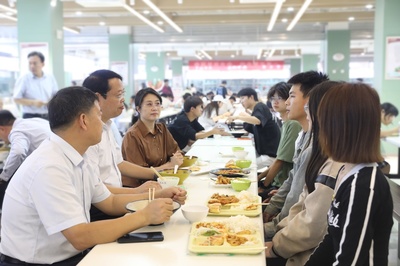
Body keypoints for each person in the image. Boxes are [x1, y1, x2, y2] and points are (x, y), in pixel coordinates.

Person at [0, 86, 186, 265]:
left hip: (74, 254)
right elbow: (79, 236)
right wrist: (145, 216)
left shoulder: (79, 155)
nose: (103, 122)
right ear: (83, 120)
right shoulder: (49, 166)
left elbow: (110, 202)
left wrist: (157, 195)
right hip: (39, 263)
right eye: (98, 114)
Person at [305, 83, 393, 265]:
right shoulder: (346, 171)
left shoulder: (362, 186)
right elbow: (333, 237)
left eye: (324, 122)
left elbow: (352, 260)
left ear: (341, 128)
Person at [265, 81, 343, 266]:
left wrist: (276, 241)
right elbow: (301, 199)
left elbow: (312, 226)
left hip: (303, 252)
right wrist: (277, 232)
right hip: (293, 237)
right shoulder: (315, 144)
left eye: (291, 96)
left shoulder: (330, 160)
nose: (284, 103)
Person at [82, 70, 166, 220]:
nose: (123, 100)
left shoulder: (108, 126)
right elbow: (94, 190)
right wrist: (138, 192)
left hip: (116, 197)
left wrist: (157, 173)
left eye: (123, 94)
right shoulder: (88, 134)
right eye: (118, 95)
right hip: (100, 207)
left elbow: (119, 163)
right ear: (97, 98)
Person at [263, 71, 329, 239]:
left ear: (309, 101)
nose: (286, 102)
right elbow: (293, 179)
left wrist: (274, 224)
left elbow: (296, 197)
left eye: (291, 96)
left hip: (294, 231)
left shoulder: (315, 146)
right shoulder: (304, 135)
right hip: (289, 221)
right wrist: (274, 205)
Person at [121, 88, 184, 187]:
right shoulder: (132, 135)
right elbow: (140, 174)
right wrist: (169, 165)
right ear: (138, 108)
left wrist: (176, 160)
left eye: (157, 104)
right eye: (149, 104)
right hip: (142, 189)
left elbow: (176, 153)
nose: (155, 108)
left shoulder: (162, 128)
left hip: (164, 182)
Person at [257, 82, 302, 199]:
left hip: (282, 185)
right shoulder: (285, 123)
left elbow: (280, 161)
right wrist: (257, 179)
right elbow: (277, 160)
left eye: (280, 98)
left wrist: (264, 185)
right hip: (278, 182)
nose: (275, 102)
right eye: (273, 98)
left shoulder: (293, 124)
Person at [0, 110, 51, 206]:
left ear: (2, 129)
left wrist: (3, 177)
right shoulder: (32, 121)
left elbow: (18, 152)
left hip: (49, 166)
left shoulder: (16, 131)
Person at [226, 88, 281, 169]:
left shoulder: (260, 106)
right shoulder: (256, 110)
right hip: (264, 153)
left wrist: (238, 117)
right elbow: (249, 127)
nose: (241, 101)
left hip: (270, 155)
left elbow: (258, 121)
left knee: (243, 168)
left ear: (251, 97)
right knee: (238, 162)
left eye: (243, 98)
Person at [13, 51, 58, 119]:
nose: (32, 66)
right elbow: (16, 99)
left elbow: (55, 94)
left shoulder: (50, 77)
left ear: (43, 64)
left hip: (48, 115)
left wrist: (51, 102)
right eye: (30, 63)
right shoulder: (24, 79)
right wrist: (33, 102)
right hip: (30, 116)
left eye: (35, 63)